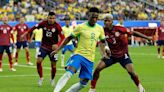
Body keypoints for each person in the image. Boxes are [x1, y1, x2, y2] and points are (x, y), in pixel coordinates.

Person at [89, 14, 151, 92]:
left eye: (108, 21)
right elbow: (101, 43)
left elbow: (133, 33)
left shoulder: (120, 29)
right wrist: (103, 54)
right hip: (111, 55)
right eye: (105, 21)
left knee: (131, 72)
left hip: (123, 54)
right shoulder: (102, 31)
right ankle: (92, 88)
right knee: (97, 69)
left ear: (112, 21)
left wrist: (147, 37)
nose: (106, 22)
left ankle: (139, 86)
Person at [51, 7, 107, 92]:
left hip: (90, 59)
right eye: (93, 17)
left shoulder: (100, 28)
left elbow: (103, 42)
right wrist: (57, 50)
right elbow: (68, 38)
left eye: (96, 17)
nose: (94, 19)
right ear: (88, 16)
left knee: (83, 84)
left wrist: (105, 51)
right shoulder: (80, 27)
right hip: (79, 55)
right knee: (69, 73)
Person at [21, 12, 65, 86]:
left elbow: (63, 38)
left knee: (53, 65)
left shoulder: (57, 26)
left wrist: (57, 45)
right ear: (47, 17)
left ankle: (52, 79)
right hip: (44, 46)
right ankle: (41, 78)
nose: (51, 20)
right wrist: (25, 34)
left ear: (55, 18)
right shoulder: (43, 23)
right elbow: (33, 28)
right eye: (50, 18)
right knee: (38, 61)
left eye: (53, 18)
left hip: (53, 49)